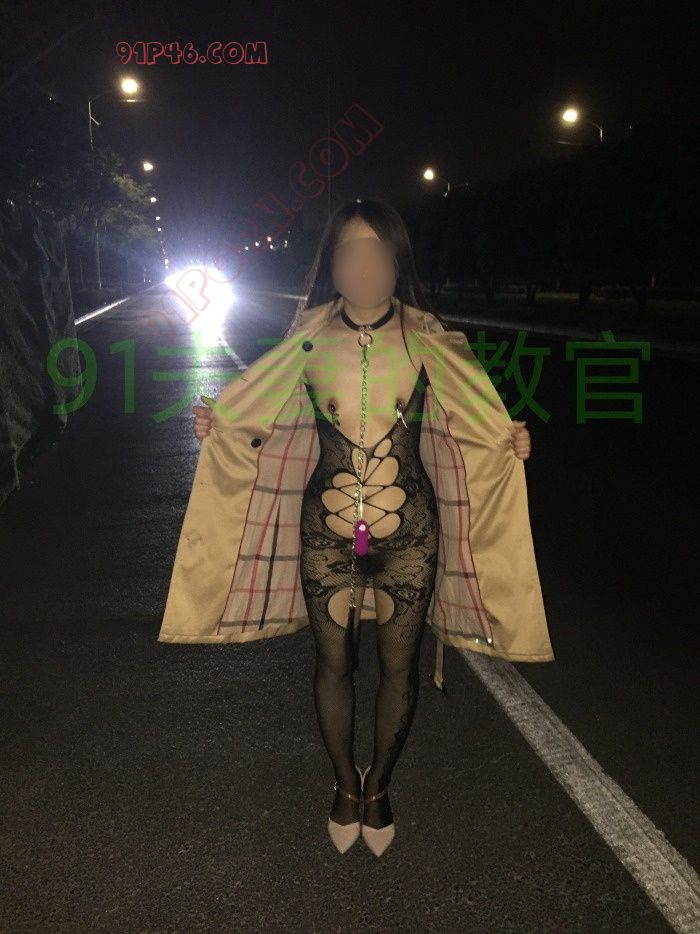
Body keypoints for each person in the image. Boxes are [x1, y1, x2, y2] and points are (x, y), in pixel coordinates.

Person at [191, 198, 532, 857]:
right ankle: (345, 783)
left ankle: (380, 787)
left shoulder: (429, 338)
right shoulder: (308, 337)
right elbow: (257, 409)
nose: (363, 264)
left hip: (410, 535)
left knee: (399, 668)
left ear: (398, 262)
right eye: (350, 250)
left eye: (377, 250)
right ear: (333, 263)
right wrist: (218, 424)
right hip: (325, 532)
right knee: (333, 662)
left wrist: (508, 441)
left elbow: (475, 421)